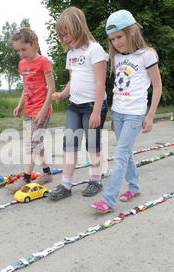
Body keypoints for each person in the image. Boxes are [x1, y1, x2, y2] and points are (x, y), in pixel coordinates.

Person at [90, 10, 162, 213]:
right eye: (112, 39)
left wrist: (150, 115)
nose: (116, 42)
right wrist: (114, 115)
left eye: (119, 37)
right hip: (119, 114)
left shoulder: (147, 55)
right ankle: (135, 187)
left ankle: (108, 200)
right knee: (126, 153)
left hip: (135, 115)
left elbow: (157, 86)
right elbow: (119, 90)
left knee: (120, 155)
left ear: (132, 32)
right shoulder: (118, 58)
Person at [48, 6, 109, 201]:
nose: (65, 38)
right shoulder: (71, 54)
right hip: (74, 105)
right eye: (62, 36)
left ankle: (96, 180)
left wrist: (97, 111)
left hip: (93, 106)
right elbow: (73, 80)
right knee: (69, 144)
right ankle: (66, 184)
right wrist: (63, 94)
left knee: (93, 145)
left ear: (79, 27)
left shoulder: (95, 49)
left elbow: (100, 82)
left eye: (67, 34)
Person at [7, 28, 56, 192]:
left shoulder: (44, 62)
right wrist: (20, 104)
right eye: (18, 50)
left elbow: (51, 88)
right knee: (36, 144)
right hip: (29, 110)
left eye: (23, 49)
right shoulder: (22, 64)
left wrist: (43, 110)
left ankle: (26, 178)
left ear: (34, 44)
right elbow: (26, 87)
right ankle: (47, 172)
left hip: (41, 111)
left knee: (31, 144)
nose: (21, 53)